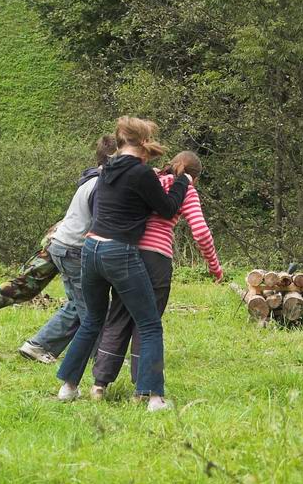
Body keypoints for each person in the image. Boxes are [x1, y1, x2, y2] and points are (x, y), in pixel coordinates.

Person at [54, 117, 192, 411]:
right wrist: (183, 181)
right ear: (143, 143)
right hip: (118, 252)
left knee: (92, 320)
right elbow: (167, 209)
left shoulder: (106, 169)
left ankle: (68, 387)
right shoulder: (141, 173)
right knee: (149, 323)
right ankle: (154, 397)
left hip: (90, 249)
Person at [0, 134, 118, 362]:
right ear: (113, 158)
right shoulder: (102, 184)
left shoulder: (90, 178)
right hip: (73, 247)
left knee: (26, 286)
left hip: (56, 240)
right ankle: (100, 359)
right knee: (91, 306)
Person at [90, 151, 224, 400]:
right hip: (156, 260)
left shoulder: (150, 178)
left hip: (127, 253)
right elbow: (201, 232)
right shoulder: (185, 189)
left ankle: (99, 384)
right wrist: (214, 266)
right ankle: (143, 389)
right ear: (194, 177)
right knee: (148, 323)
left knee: (118, 316)